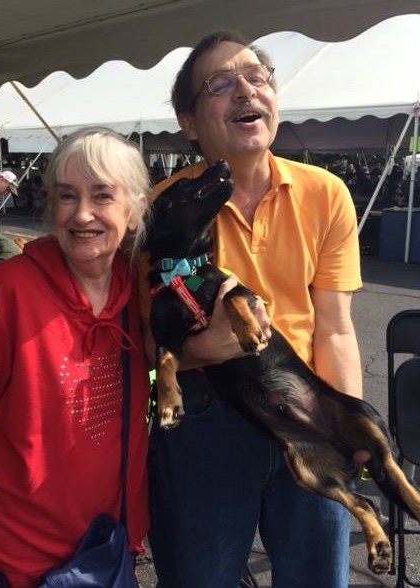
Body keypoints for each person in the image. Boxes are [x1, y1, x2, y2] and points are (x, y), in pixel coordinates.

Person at [142, 31, 363, 588]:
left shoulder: (326, 193)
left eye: (256, 77)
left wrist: (348, 421)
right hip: (205, 418)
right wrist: (198, 349)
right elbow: (146, 338)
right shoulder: (163, 209)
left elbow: (334, 328)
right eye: (221, 84)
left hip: (305, 403)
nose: (245, 90)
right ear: (188, 122)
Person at [0, 128, 151, 588]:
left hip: (108, 545)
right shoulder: (9, 292)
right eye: (66, 196)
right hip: (19, 556)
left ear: (134, 211)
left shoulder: (141, 290)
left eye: (102, 196)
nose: (82, 214)